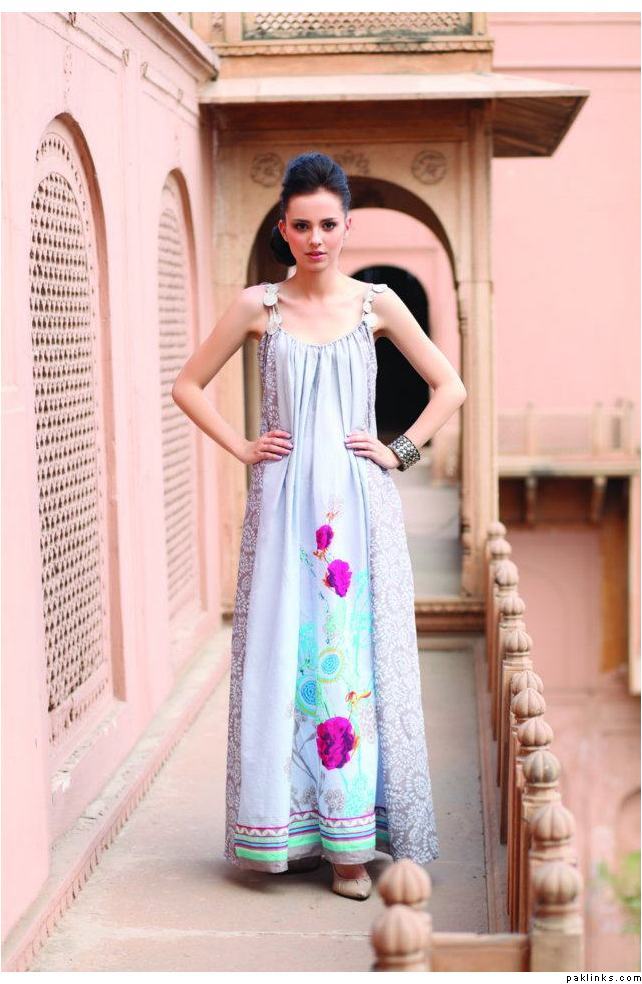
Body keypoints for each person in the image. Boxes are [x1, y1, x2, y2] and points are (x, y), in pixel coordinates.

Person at [172, 151, 466, 901]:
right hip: (281, 509)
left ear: (347, 227)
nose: (315, 238)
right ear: (283, 228)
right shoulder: (259, 307)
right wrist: (243, 446)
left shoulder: (376, 306)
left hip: (356, 510)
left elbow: (449, 387)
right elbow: (187, 385)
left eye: (328, 224)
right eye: (301, 225)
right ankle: (291, 830)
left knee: (348, 660)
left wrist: (397, 451)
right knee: (284, 655)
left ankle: (349, 848)